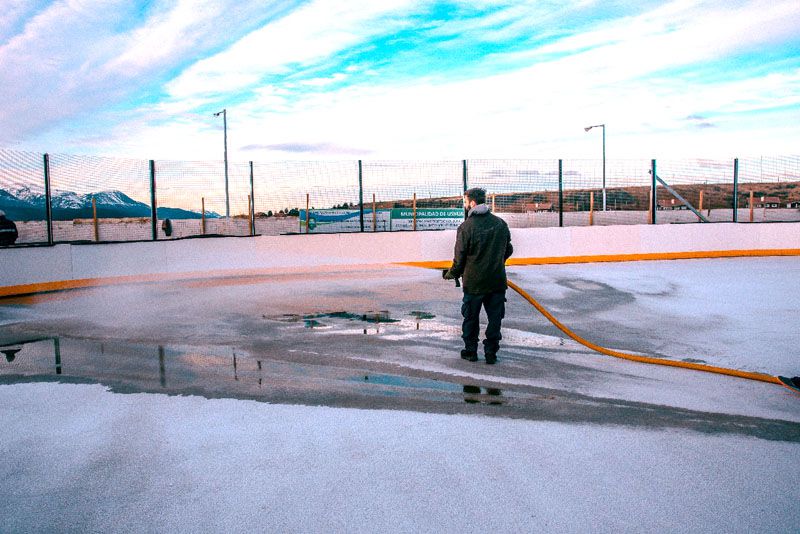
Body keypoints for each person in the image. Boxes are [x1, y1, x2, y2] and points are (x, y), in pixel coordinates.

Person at [443, 187, 513, 364]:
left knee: (471, 318)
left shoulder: (466, 227)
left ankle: (471, 351)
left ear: (472, 203)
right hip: (497, 281)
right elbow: (509, 249)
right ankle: (491, 353)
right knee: (495, 319)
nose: (465, 205)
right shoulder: (500, 224)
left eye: (465, 202)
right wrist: (496, 262)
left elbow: (459, 258)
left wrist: (451, 274)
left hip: (474, 284)